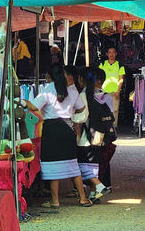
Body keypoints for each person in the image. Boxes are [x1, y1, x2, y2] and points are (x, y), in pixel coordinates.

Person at [22, 62, 92, 209]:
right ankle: (83, 198)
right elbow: (81, 108)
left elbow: (34, 106)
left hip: (52, 129)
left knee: (52, 165)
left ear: (49, 76)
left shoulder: (48, 89)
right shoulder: (72, 91)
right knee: (73, 164)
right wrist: (70, 113)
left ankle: (55, 201)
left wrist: (23, 102)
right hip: (68, 128)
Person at [73, 67, 111, 201]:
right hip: (99, 134)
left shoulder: (83, 95)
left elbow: (82, 118)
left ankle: (99, 186)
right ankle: (94, 193)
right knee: (93, 164)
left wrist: (72, 117)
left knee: (80, 166)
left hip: (86, 136)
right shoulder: (101, 94)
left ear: (80, 80)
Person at [100, 47, 125, 127]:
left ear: (116, 54)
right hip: (104, 92)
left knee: (114, 110)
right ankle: (104, 127)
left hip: (115, 92)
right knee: (103, 111)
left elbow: (121, 79)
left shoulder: (120, 65)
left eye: (113, 52)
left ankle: (113, 128)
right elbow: (99, 78)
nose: (111, 54)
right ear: (107, 54)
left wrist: (118, 91)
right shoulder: (103, 64)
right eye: (109, 52)